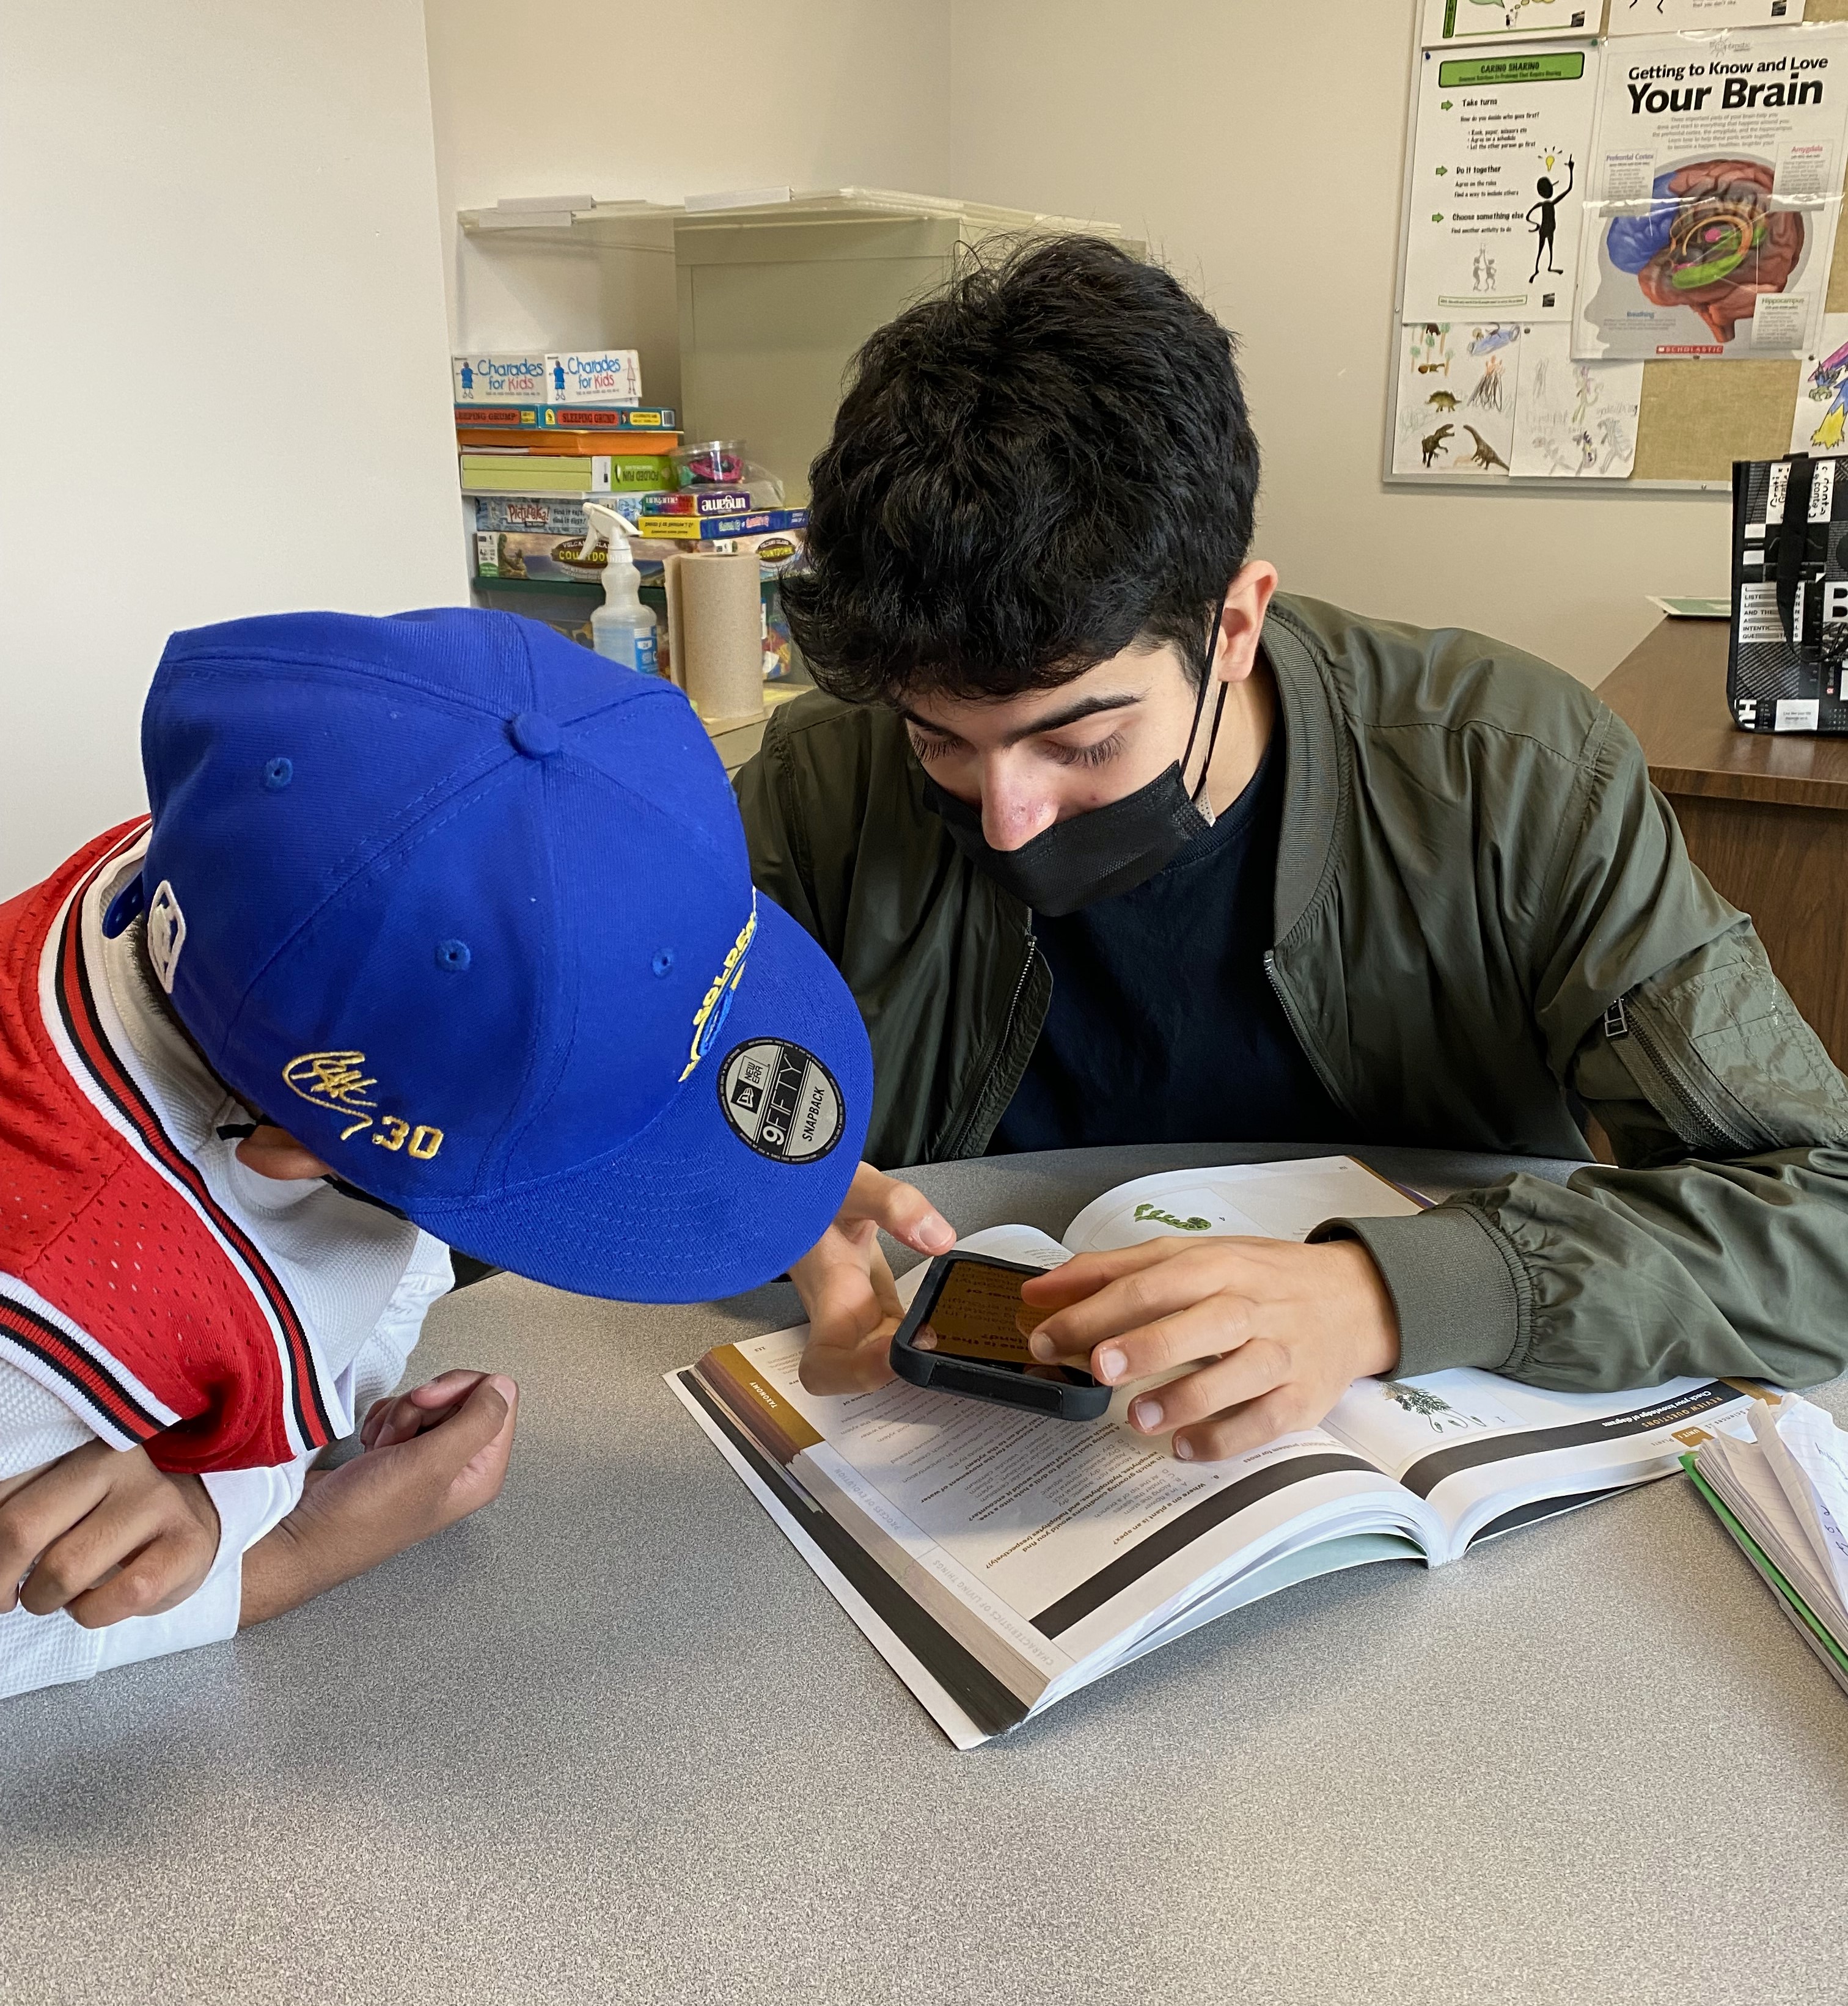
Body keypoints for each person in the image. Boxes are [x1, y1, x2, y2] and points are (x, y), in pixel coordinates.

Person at [741, 235, 1848, 1463]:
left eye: (1083, 741)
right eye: (941, 740)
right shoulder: (826, 783)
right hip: (974, 1451)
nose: (1005, 814)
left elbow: (1824, 1217)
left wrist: (1385, 1295)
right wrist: (745, 1192)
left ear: (1233, 623)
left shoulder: (1512, 775)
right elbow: (625, 1094)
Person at [0, 606, 870, 1699]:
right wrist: (306, 1542)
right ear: (298, 1150)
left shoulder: (253, 872)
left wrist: (238, 1479)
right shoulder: (41, 1337)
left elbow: (391, 1241)